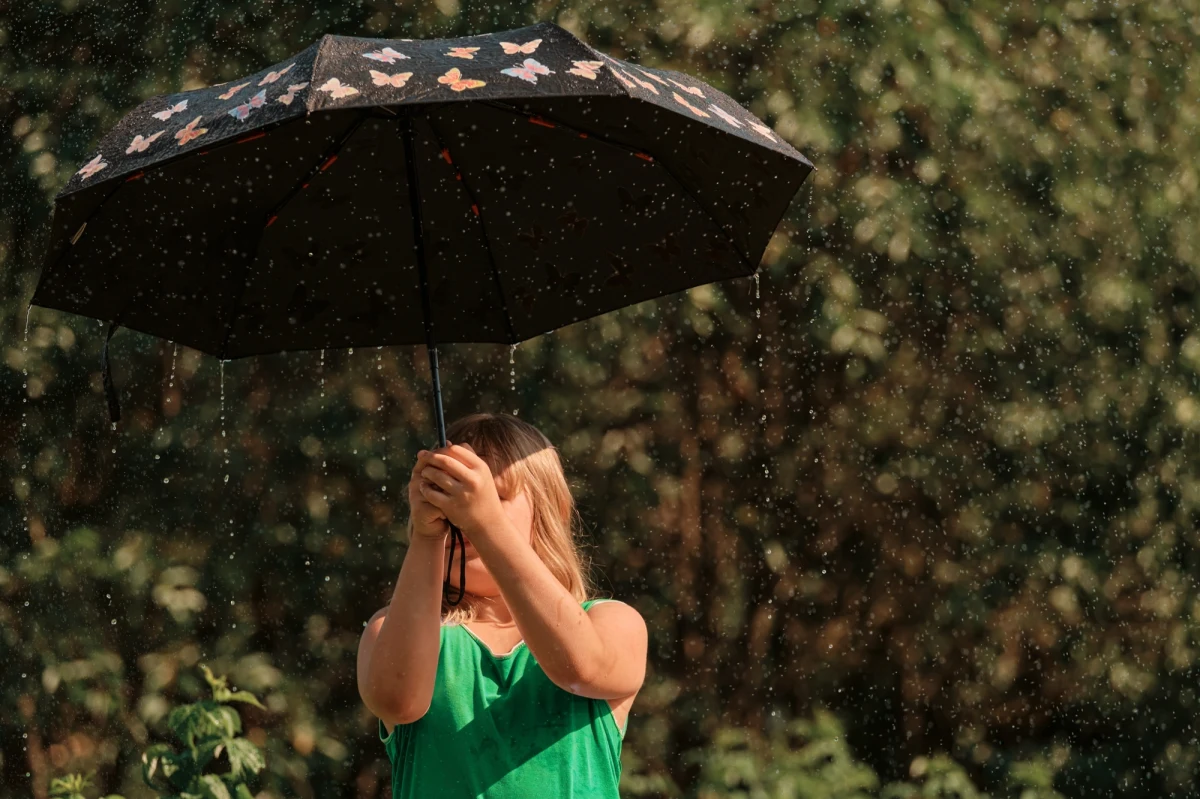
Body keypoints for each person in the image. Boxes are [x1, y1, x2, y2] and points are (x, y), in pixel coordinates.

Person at [356, 412, 648, 798]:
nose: (463, 515)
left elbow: (580, 666)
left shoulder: (613, 623)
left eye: (493, 496)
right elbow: (398, 700)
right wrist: (428, 536)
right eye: (445, 497)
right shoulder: (397, 633)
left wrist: (484, 523)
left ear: (549, 511)